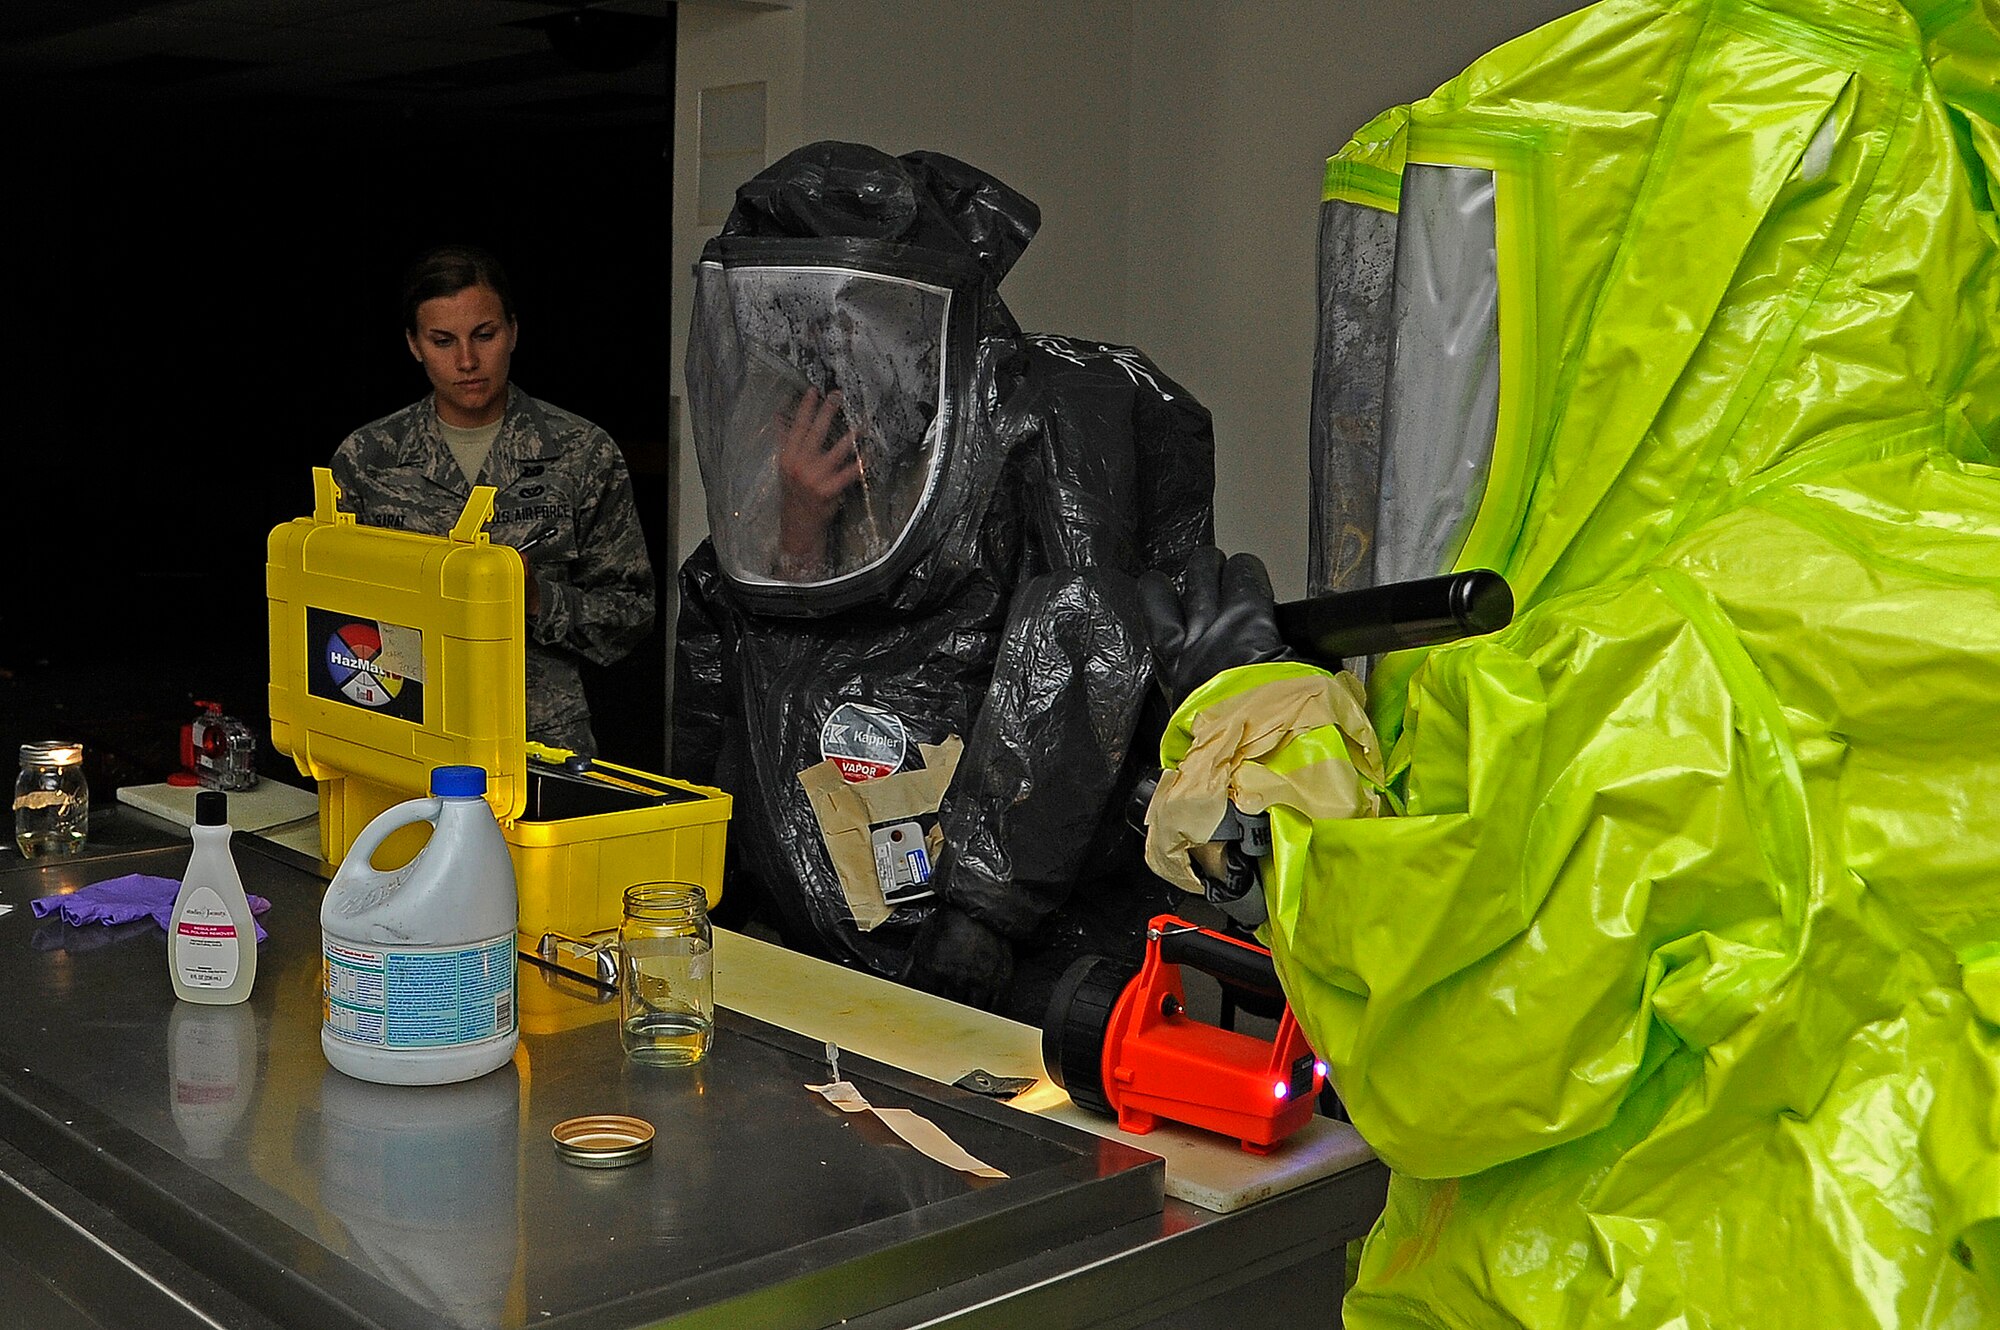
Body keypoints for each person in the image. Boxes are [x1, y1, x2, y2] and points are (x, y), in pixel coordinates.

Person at [675, 141, 1217, 1023]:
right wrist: (798, 522)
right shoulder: (813, 427)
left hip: (990, 951)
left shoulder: (1049, 420)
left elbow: (1091, 634)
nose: (824, 347)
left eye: (845, 320)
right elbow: (743, 647)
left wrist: (986, 907)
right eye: (798, 319)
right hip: (809, 950)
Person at [329, 244, 655, 756]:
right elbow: (328, 619)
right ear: (414, 344)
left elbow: (631, 616)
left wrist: (536, 599)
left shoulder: (581, 453)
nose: (466, 361)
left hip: (539, 742)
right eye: (443, 341)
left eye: (484, 335)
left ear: (513, 332)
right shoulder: (369, 460)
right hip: (401, 734)